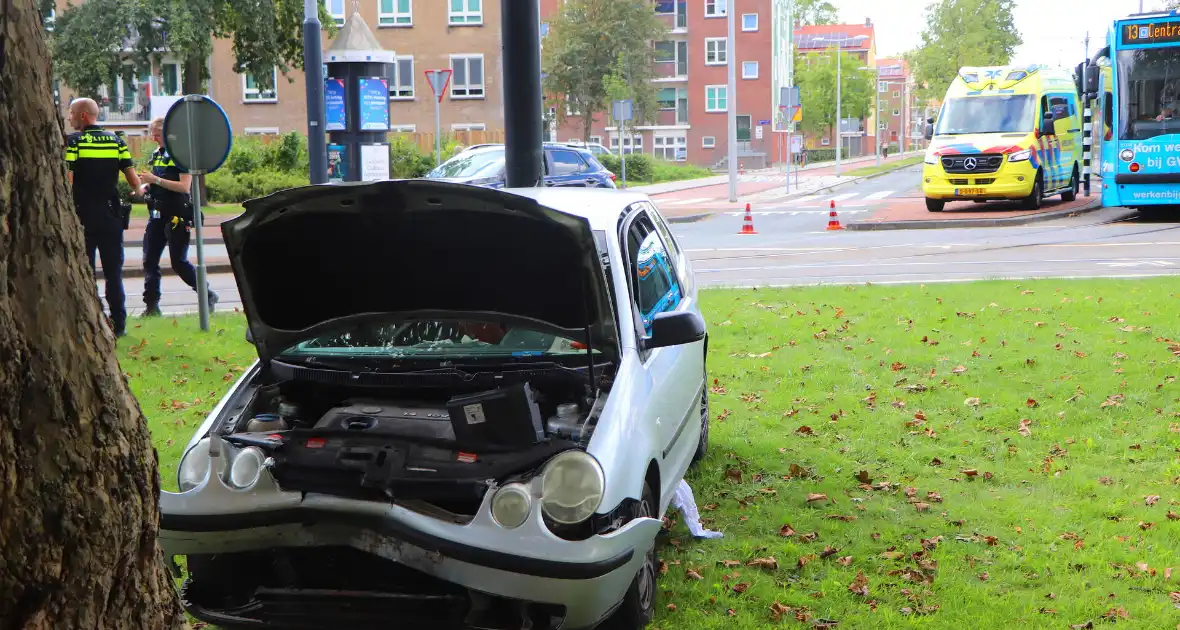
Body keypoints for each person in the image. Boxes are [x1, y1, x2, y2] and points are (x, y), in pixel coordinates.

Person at [65, 97, 142, 337]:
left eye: (71, 113)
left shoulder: (74, 142)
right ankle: (119, 325)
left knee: (85, 273)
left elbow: (68, 181)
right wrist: (140, 190)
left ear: (83, 116)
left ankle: (91, 321)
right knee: (113, 274)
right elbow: (134, 182)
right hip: (111, 216)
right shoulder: (117, 142)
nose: (68, 118)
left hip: (83, 216)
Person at [137, 117, 219, 316]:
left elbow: (184, 186)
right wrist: (145, 186)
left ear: (167, 133)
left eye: (157, 134)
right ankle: (151, 306)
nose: (154, 138)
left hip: (177, 216)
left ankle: (207, 294)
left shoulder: (180, 155)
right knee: (150, 260)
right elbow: (157, 181)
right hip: (156, 214)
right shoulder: (158, 154)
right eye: (152, 134)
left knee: (178, 262)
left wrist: (154, 179)